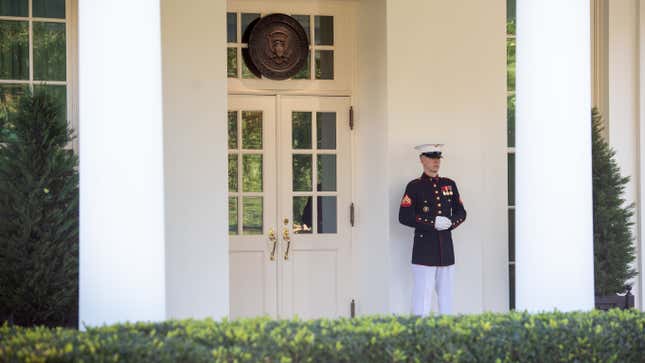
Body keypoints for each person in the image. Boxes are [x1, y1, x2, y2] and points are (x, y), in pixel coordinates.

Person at [398, 144, 466, 316]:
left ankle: (446, 333)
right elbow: (404, 216)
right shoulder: (414, 186)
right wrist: (432, 222)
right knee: (423, 297)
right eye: (431, 157)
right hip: (424, 251)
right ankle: (420, 335)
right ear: (422, 160)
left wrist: (450, 222)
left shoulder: (449, 184)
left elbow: (461, 212)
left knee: (447, 298)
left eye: (438, 158)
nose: (436, 162)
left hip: (446, 250)